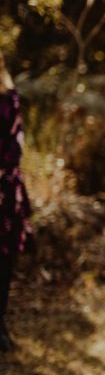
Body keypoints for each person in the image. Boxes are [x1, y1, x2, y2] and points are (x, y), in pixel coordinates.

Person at [0, 51, 32, 352]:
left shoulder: (8, 98)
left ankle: (1, 325)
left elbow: (15, 143)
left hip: (6, 192)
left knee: (5, 260)